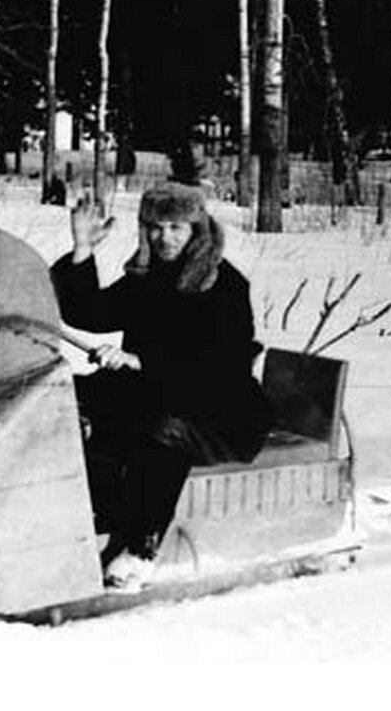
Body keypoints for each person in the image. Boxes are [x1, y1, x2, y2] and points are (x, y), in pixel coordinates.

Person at [49, 182, 272, 591]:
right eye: (155, 227)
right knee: (67, 400)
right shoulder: (147, 277)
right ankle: (83, 515)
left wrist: (141, 361)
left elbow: (224, 365)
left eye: (176, 227)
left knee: (164, 432)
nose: (164, 237)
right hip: (150, 393)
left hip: (218, 409)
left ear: (196, 230)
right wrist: (83, 249)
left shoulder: (225, 285)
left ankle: (140, 548)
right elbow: (92, 312)